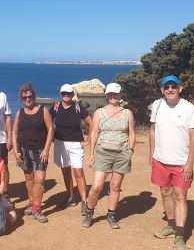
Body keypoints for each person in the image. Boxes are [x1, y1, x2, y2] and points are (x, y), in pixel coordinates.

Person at [149, 75, 194, 250]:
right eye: (167, 87)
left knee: (180, 195)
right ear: (162, 90)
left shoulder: (189, 108)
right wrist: (152, 153)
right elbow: (153, 129)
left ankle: (179, 235)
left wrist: (189, 164)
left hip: (181, 162)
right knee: (165, 191)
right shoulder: (157, 105)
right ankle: (171, 225)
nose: (170, 89)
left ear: (180, 88)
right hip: (161, 159)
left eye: (173, 86)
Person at [84, 82, 135, 229]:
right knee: (97, 186)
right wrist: (92, 154)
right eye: (110, 94)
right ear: (107, 95)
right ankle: (89, 211)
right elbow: (94, 133)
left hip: (122, 153)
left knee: (115, 186)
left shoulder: (127, 113)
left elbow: (131, 133)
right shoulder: (99, 113)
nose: (113, 96)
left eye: (115, 94)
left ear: (120, 95)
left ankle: (111, 215)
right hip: (103, 152)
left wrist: (130, 151)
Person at [12, 81, 54, 223]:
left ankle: (37, 208)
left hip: (40, 150)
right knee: (29, 178)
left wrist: (47, 149)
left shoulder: (43, 110)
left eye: (30, 96)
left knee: (40, 179)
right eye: (25, 97)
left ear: (34, 96)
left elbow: (50, 130)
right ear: (22, 99)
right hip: (24, 150)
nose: (28, 99)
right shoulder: (19, 113)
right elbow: (14, 132)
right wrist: (15, 150)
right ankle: (32, 203)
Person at [50, 83, 92, 214]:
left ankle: (84, 201)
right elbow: (46, 121)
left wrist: (88, 140)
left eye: (68, 93)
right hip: (60, 143)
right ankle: (71, 197)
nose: (66, 96)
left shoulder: (78, 107)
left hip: (76, 144)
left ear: (72, 95)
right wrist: (49, 137)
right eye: (63, 94)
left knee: (78, 172)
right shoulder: (56, 108)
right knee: (65, 171)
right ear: (61, 94)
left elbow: (90, 122)